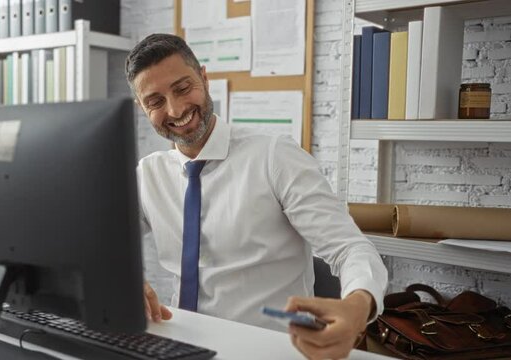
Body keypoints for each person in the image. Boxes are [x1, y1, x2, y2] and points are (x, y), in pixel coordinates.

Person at [125, 33, 388, 359]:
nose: (175, 109)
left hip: (272, 348)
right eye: (155, 101)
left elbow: (350, 248)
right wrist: (120, 284)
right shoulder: (147, 175)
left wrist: (357, 305)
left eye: (182, 88)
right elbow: (101, 247)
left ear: (204, 79)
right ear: (141, 107)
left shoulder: (274, 157)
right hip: (182, 346)